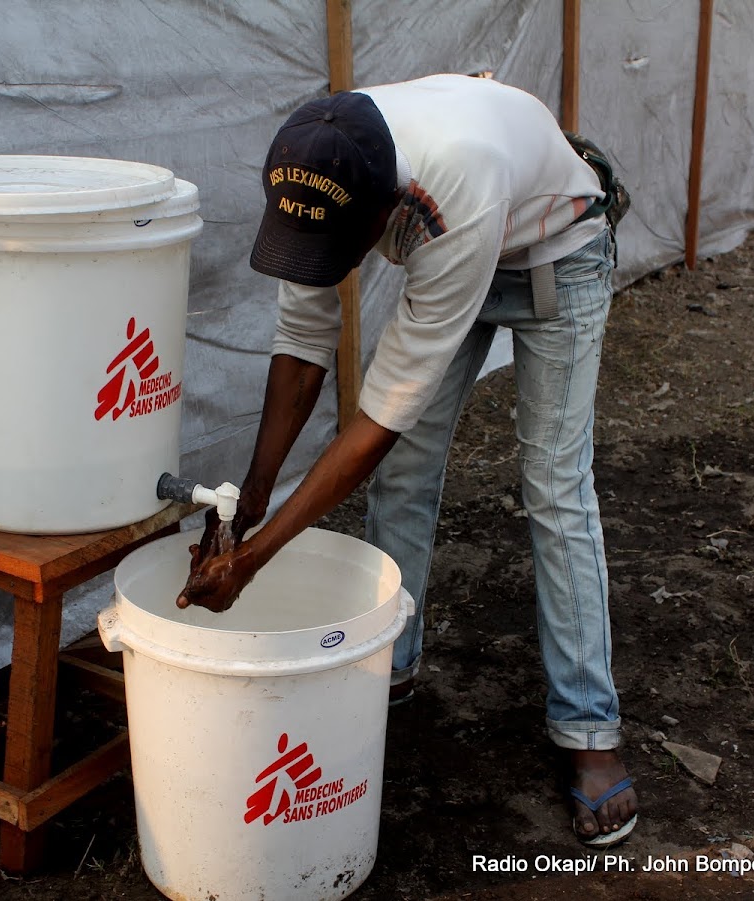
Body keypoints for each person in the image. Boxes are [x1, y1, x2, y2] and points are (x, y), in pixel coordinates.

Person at [176, 74, 638, 848]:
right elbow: (302, 343)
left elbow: (376, 423)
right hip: (457, 245)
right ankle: (388, 660)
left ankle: (590, 727)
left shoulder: (448, 190)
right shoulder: (318, 167)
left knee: (553, 486)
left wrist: (254, 558)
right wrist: (251, 495)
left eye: (337, 251)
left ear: (382, 217)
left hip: (556, 245)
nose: (317, 261)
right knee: (406, 474)